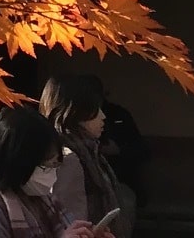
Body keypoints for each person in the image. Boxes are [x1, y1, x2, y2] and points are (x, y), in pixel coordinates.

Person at [0, 107, 98, 238]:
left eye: (55, 165)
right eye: (46, 166)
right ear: (20, 162)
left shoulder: (45, 200)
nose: (52, 173)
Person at [42, 74, 135, 238]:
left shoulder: (87, 151)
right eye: (95, 110)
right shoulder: (69, 158)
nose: (103, 116)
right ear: (76, 112)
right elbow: (71, 221)